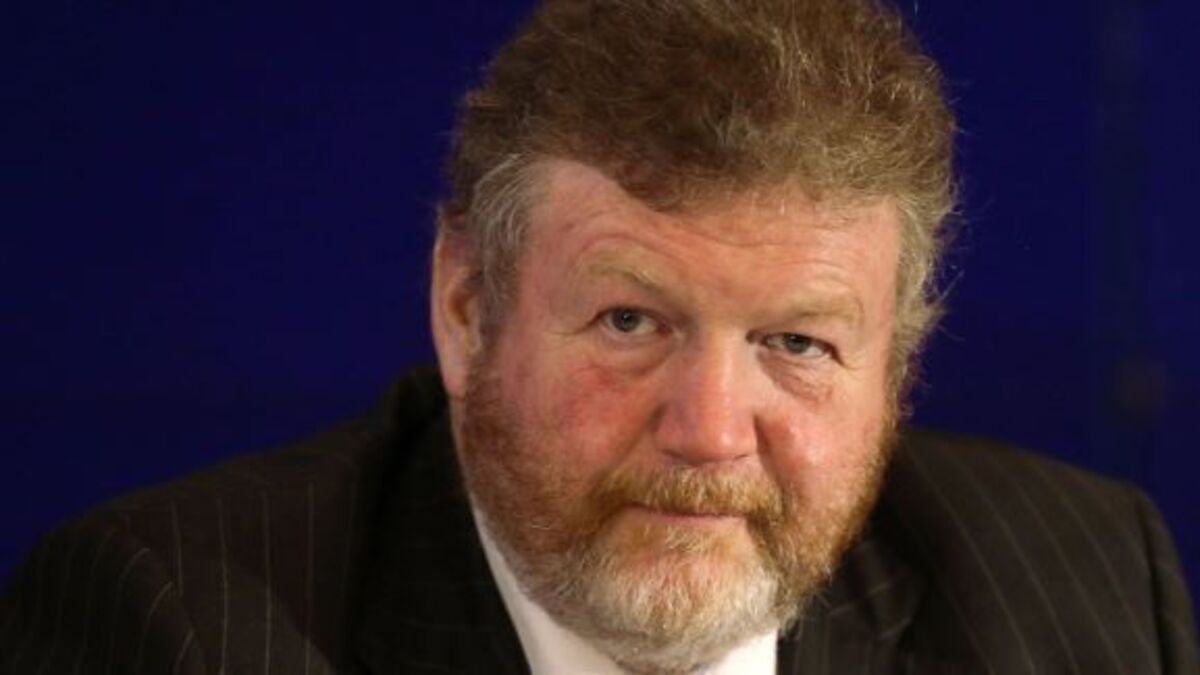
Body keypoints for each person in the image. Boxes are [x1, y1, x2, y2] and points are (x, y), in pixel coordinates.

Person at [2, 0, 1196, 673]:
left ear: (898, 364)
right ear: (467, 311)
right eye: (631, 321)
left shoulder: (1082, 587)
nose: (710, 433)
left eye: (797, 344)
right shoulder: (177, 623)